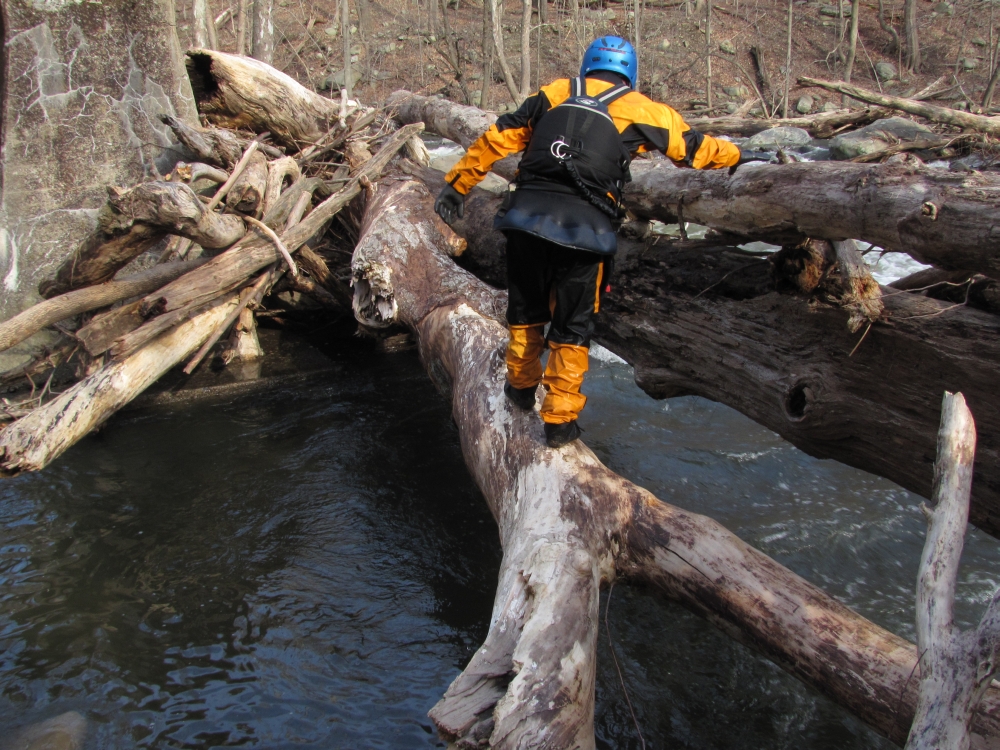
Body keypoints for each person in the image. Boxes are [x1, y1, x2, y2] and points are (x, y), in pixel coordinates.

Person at [435, 36, 769, 448]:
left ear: (587, 66)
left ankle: (520, 389)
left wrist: (456, 185)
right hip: (585, 232)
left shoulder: (556, 92)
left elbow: (499, 136)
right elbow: (694, 150)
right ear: (629, 71)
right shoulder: (644, 109)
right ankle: (558, 421)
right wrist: (741, 157)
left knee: (525, 310)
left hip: (525, 220)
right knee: (572, 326)